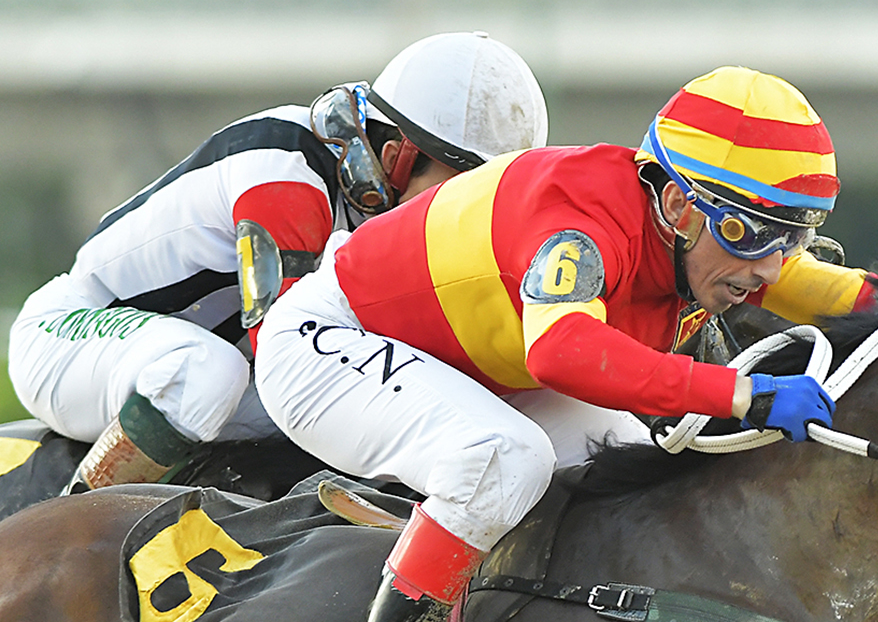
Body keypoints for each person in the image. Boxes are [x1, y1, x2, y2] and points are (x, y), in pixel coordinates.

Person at [254, 65, 878, 622]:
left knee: (637, 466)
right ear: (678, 205)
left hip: (474, 362)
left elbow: (815, 285)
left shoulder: (695, 234)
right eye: (753, 235)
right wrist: (742, 395)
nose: (767, 271)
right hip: (326, 340)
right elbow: (560, 351)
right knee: (505, 459)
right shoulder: (579, 224)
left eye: (790, 238)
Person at [7, 31, 549, 491]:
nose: (467, 214)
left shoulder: (381, 195)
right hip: (67, 336)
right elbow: (284, 358)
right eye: (463, 190)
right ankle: (70, 527)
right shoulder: (284, 165)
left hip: (216, 366)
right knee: (206, 374)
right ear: (398, 156)